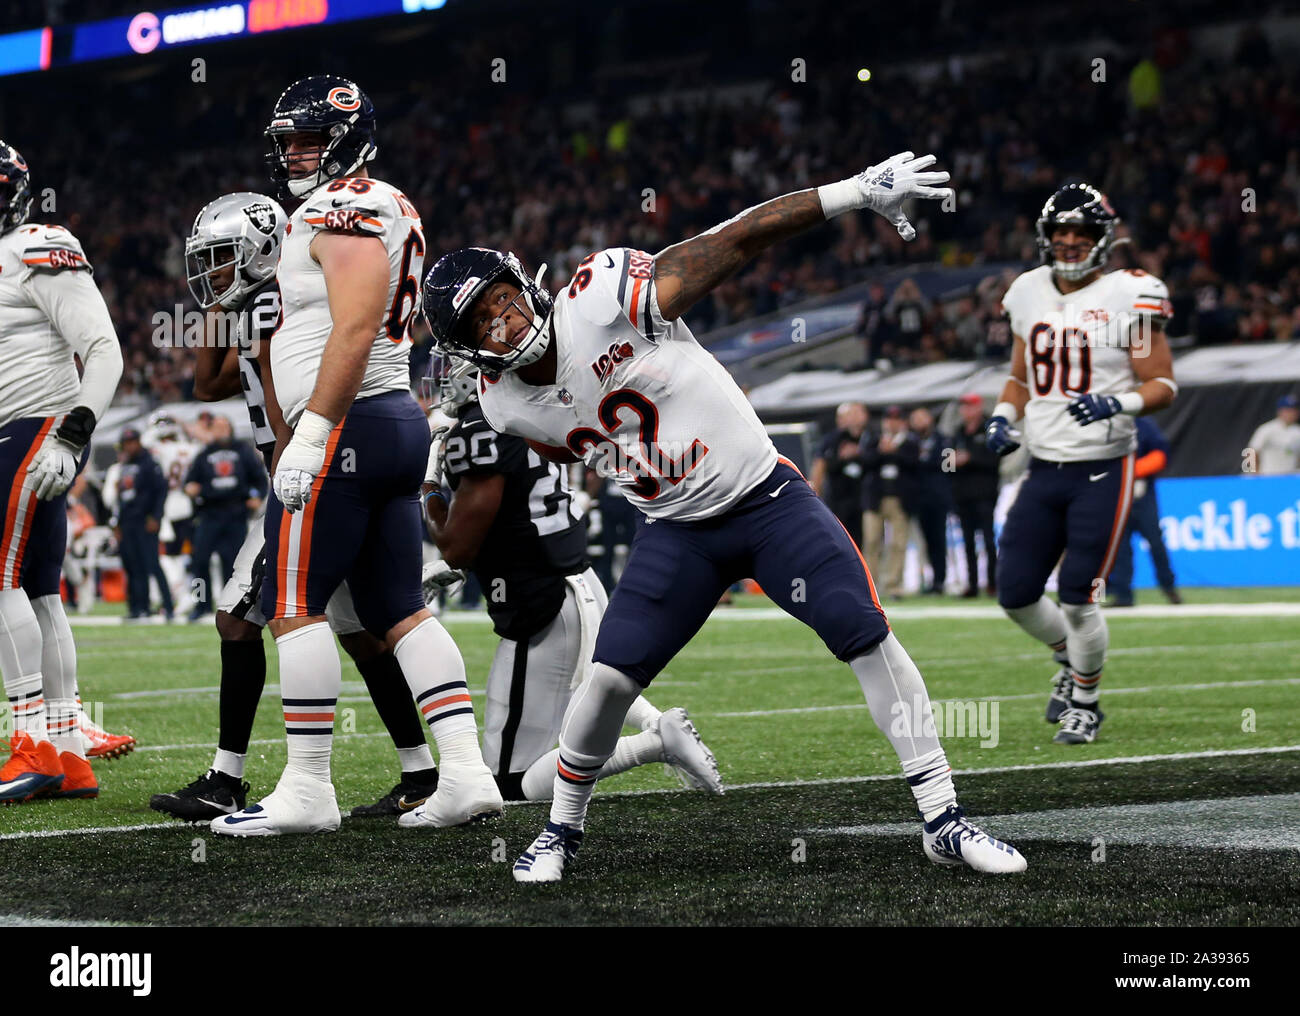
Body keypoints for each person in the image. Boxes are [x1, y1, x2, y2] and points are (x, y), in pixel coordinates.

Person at [423, 150, 1027, 881]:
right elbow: (570, 444)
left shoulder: (599, 295)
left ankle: (943, 818)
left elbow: (735, 240)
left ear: (525, 283)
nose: (505, 320)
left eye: (504, 299)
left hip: (768, 502)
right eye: (481, 321)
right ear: (465, 347)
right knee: (610, 681)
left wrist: (852, 193)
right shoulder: (501, 403)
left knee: (867, 636)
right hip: (677, 533)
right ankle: (560, 834)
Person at [212, 76, 502, 837]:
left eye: (310, 138)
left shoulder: (344, 205)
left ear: (348, 137)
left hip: (349, 423)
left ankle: (309, 790)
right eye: (288, 141)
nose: (295, 154)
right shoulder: (380, 201)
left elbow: (357, 324)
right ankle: (466, 774)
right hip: (385, 421)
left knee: (293, 606)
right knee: (397, 609)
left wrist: (312, 430)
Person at [153, 191, 444, 822]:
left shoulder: (275, 303)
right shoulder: (253, 304)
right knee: (363, 633)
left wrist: (297, 477)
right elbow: (212, 382)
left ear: (260, 249)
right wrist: (215, 309)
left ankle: (231, 779)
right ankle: (422, 772)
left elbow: (278, 401)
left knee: (240, 616)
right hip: (323, 469)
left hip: (308, 476)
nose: (215, 271)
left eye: (224, 257)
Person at [416, 355, 722, 807]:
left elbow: (456, 542)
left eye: (452, 366)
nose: (442, 380)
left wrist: (429, 491)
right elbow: (512, 511)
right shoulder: (528, 408)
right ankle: (661, 726)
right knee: (586, 690)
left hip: (542, 602)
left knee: (509, 784)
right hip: (575, 581)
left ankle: (656, 742)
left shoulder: (481, 428)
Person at [985, 182, 1178, 745]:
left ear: (1103, 238)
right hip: (1043, 466)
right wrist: (1003, 416)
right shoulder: (1026, 291)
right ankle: (1071, 661)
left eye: (1081, 233)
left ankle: (1087, 702)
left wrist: (1120, 402)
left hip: (1103, 466)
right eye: (1060, 233)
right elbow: (1020, 376)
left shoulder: (1133, 292)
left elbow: (1163, 383)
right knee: (1016, 592)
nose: (1070, 242)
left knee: (1077, 593)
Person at [0, 141, 124, 803]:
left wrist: (73, 433)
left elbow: (102, 348)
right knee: (41, 591)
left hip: (31, 429)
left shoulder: (33, 245)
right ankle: (68, 754)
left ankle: (31, 747)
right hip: (21, 430)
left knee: (0, 579)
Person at [182, 416, 266, 622]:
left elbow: (260, 479)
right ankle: (200, 604)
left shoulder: (243, 451)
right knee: (199, 560)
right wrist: (190, 488)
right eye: (216, 427)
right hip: (209, 513)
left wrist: (256, 496)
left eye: (223, 426)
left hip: (235, 512)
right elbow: (190, 481)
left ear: (230, 428)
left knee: (233, 562)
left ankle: (230, 604)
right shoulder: (204, 454)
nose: (220, 430)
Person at [1107, 416, 1181, 606]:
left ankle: (1169, 588)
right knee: (1120, 548)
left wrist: (1132, 470)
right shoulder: (1107, 425)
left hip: (1142, 494)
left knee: (1156, 543)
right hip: (1116, 496)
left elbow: (1161, 454)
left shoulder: (1143, 425)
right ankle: (1123, 594)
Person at [950, 393, 999, 597]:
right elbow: (946, 464)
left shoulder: (990, 429)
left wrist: (970, 458)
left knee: (988, 540)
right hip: (963, 495)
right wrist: (953, 460)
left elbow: (995, 461)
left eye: (970, 406)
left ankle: (993, 583)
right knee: (968, 542)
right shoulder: (957, 432)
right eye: (964, 407)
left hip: (985, 494)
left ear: (978, 408)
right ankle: (971, 584)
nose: (966, 411)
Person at [860, 405, 911, 598]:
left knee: (898, 543)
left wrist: (894, 452)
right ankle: (871, 584)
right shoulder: (873, 440)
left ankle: (894, 585)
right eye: (889, 419)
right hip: (875, 499)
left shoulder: (909, 442)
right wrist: (882, 451)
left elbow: (915, 465)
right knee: (872, 541)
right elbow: (864, 462)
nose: (892, 423)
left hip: (899, 499)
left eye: (896, 419)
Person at [899, 406, 951, 595]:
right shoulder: (909, 442)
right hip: (918, 499)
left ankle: (940, 580)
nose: (919, 422)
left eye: (922, 417)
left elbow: (949, 467)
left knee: (939, 540)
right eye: (915, 418)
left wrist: (923, 461)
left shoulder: (944, 439)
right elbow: (903, 464)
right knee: (925, 542)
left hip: (938, 498)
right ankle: (928, 579)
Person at [809, 402, 868, 547]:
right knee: (841, 539)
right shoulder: (832, 439)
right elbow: (820, 465)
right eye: (848, 416)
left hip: (862, 499)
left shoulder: (867, 438)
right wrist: (815, 494)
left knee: (864, 541)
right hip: (838, 498)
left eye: (855, 414)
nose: (852, 419)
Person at [1246, 394, 1300, 474]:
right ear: (1280, 411)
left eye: (1293, 411)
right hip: (1268, 476)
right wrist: (1254, 472)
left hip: (1290, 477)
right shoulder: (1267, 429)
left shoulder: (1297, 431)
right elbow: (1250, 451)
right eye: (1287, 410)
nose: (1291, 414)